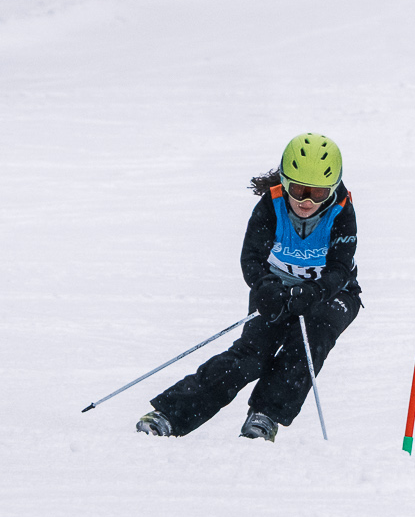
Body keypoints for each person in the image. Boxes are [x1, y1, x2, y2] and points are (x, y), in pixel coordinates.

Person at [137, 133, 360, 443]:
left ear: (332, 189)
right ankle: (170, 414)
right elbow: (252, 258)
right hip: (276, 289)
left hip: (332, 294)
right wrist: (265, 287)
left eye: (319, 193)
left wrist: (315, 292)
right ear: (284, 182)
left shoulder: (342, 211)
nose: (307, 201)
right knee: (252, 355)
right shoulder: (271, 204)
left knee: (311, 338)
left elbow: (340, 268)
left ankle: (265, 416)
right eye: (298, 190)